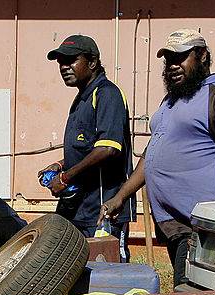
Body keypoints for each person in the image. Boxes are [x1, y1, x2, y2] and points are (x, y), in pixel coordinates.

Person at [101, 29, 215, 288]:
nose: (173, 66)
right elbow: (151, 154)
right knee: (186, 293)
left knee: (191, 294)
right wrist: (121, 196)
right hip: (176, 225)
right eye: (168, 61)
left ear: (202, 56)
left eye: (181, 58)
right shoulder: (170, 102)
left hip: (205, 226)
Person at [39, 34, 135, 261]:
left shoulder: (107, 94)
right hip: (80, 210)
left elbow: (108, 149)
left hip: (104, 211)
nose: (64, 67)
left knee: (108, 278)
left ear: (92, 62)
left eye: (71, 60)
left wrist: (65, 178)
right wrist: (60, 164)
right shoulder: (81, 98)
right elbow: (87, 148)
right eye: (61, 62)